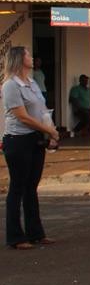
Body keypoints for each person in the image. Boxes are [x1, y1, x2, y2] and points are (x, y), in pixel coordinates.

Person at [2, 46, 59, 249]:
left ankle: (36, 232)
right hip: (18, 140)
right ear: (18, 59)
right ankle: (15, 236)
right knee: (17, 187)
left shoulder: (32, 82)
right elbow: (23, 116)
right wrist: (48, 130)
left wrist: (50, 131)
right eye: (27, 54)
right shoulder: (10, 85)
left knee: (31, 187)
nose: (32, 57)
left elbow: (42, 111)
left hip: (35, 139)